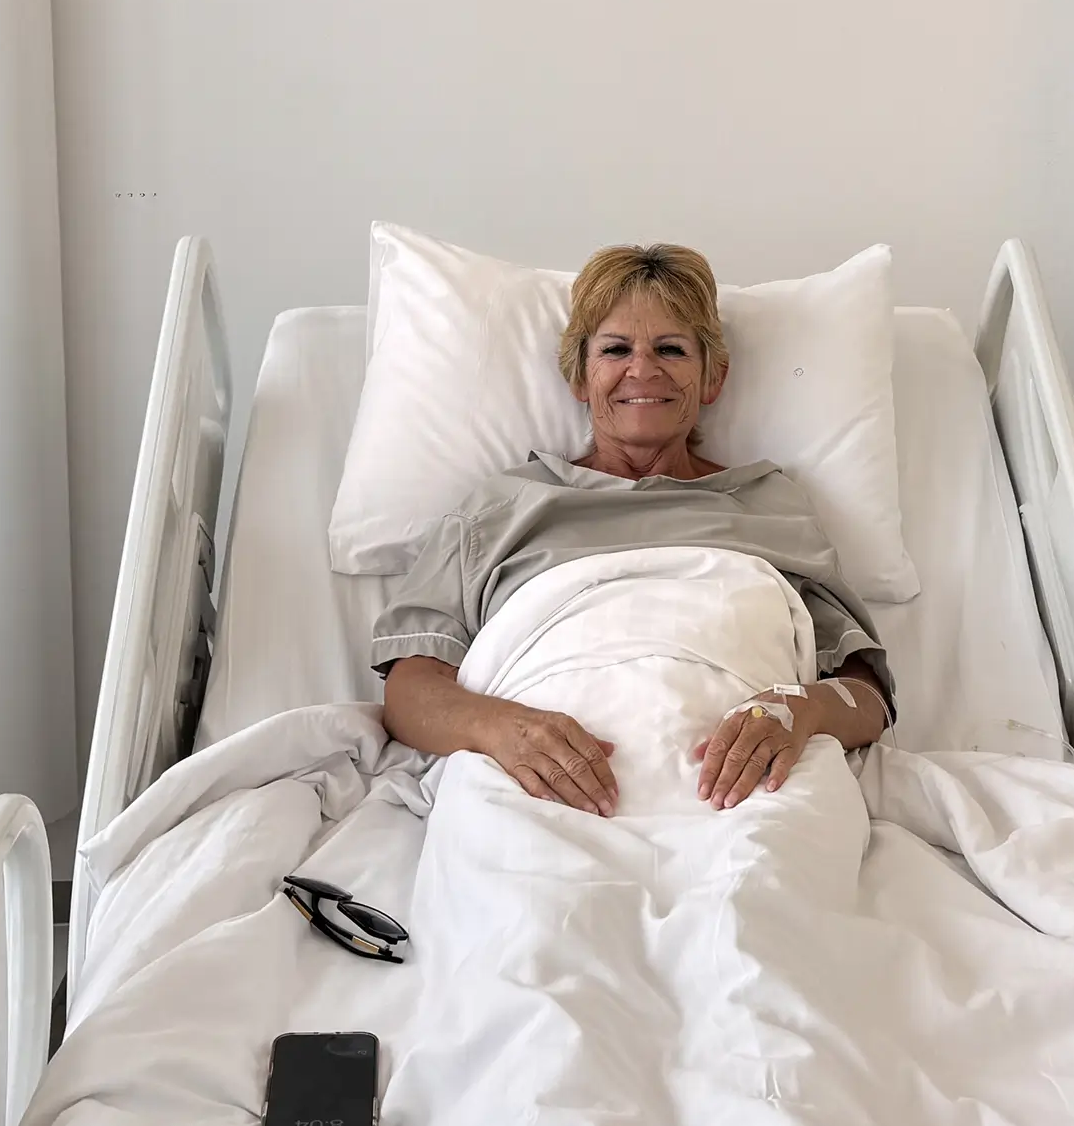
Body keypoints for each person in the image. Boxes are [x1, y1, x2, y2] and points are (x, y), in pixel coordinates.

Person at [371, 244, 893, 818]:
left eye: (671, 349)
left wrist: (802, 710)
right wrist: (501, 729)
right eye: (615, 349)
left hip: (745, 791)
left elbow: (865, 695)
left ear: (713, 377)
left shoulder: (770, 504)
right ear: (578, 376)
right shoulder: (504, 505)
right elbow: (410, 688)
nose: (642, 370)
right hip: (537, 786)